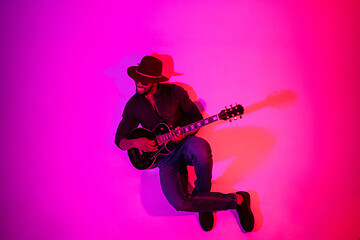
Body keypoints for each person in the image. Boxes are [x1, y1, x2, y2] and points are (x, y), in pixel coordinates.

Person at [115, 55, 254, 232]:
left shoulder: (175, 92)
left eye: (144, 80)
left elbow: (196, 118)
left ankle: (204, 200)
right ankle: (236, 200)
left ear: (155, 80)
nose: (139, 83)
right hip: (164, 159)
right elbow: (120, 140)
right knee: (179, 203)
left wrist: (182, 133)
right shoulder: (133, 105)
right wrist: (136, 142)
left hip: (184, 144)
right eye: (137, 80)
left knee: (201, 150)